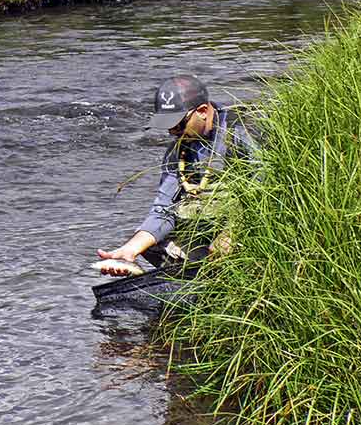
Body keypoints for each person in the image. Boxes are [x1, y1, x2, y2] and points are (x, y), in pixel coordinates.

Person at [96, 73, 257, 277]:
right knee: (149, 245)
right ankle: (201, 281)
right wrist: (129, 250)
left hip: (246, 229)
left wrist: (233, 233)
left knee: (223, 248)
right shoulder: (177, 151)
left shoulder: (242, 133)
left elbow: (267, 195)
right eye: (168, 126)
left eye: (179, 124)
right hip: (205, 231)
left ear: (203, 111)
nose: (173, 132)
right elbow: (164, 209)